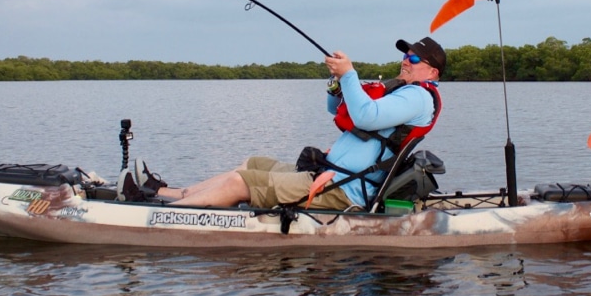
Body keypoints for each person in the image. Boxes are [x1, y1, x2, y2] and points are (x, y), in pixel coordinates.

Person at [120, 36, 447, 210]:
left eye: (415, 58)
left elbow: (365, 116)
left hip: (344, 191)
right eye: (406, 55)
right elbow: (338, 109)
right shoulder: (399, 92)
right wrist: (337, 84)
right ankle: (164, 193)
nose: (406, 60)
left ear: (432, 71)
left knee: (240, 183)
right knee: (252, 163)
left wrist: (348, 73)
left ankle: (162, 216)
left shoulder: (418, 97)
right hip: (328, 173)